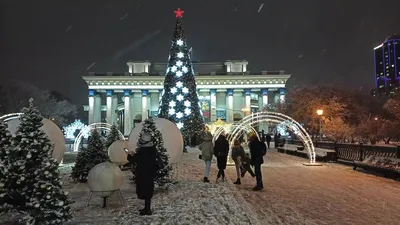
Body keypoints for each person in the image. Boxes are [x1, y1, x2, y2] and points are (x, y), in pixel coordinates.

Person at [127, 133, 157, 216]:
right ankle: (147, 208)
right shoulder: (152, 149)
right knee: (148, 190)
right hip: (150, 173)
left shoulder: (143, 151)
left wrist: (129, 155)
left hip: (143, 173)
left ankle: (147, 210)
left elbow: (133, 159)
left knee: (144, 189)